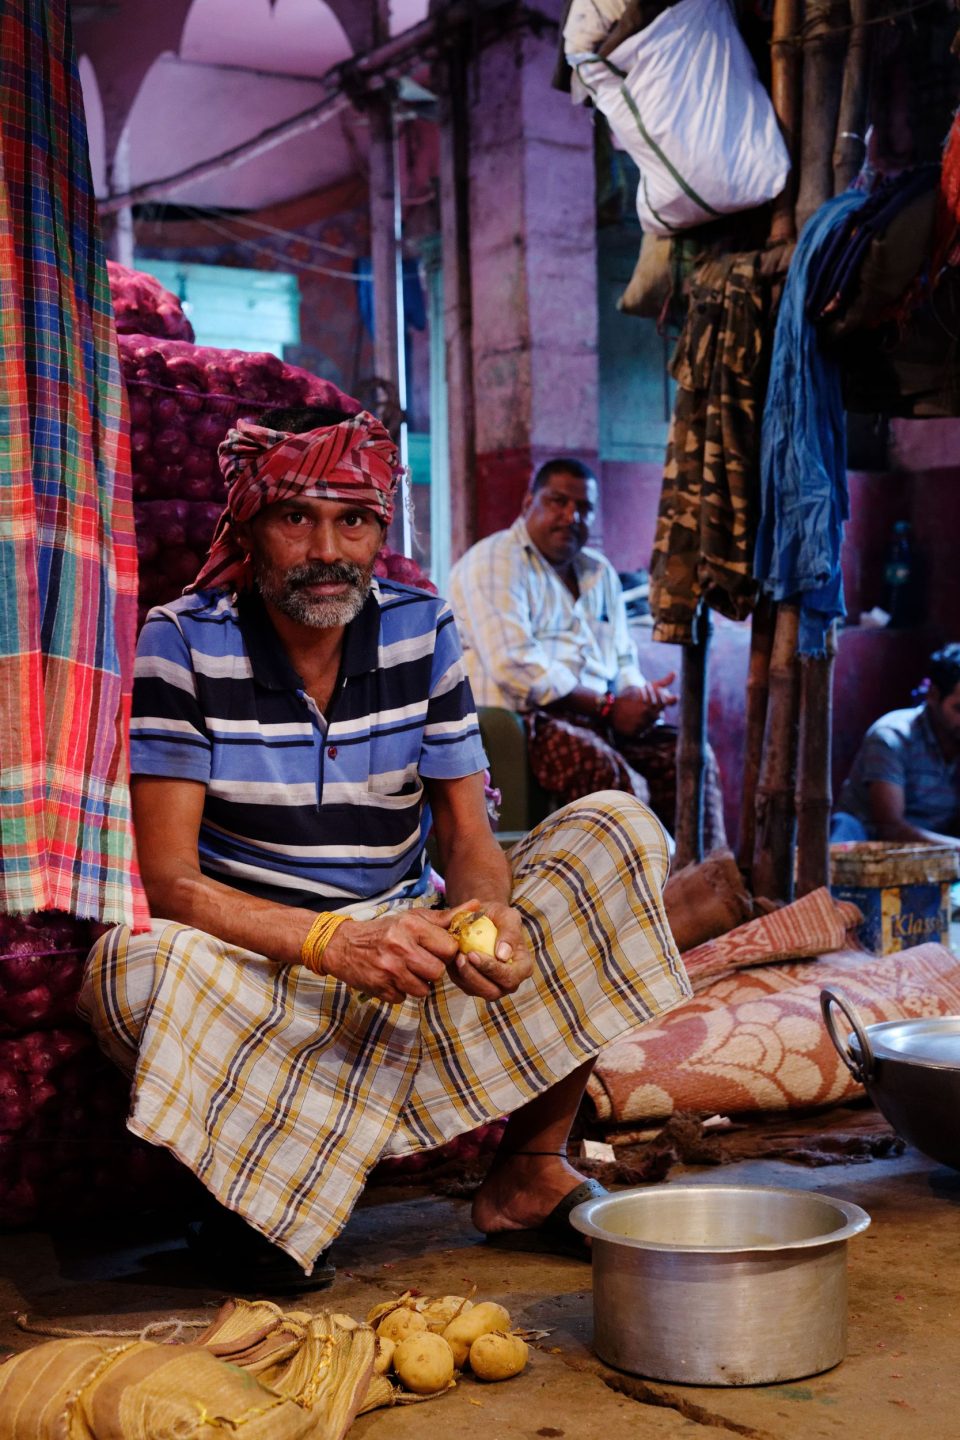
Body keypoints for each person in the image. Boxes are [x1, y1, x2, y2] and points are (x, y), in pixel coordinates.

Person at [79, 408, 691, 1294]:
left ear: (380, 532)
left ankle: (527, 1173)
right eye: (298, 518)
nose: (328, 548)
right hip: (257, 967)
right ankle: (265, 1203)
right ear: (250, 529)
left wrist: (487, 909)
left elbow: (470, 837)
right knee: (128, 971)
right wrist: (329, 943)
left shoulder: (420, 627)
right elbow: (169, 882)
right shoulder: (183, 640)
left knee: (615, 826)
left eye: (355, 520)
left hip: (407, 959)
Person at [448, 458, 727, 848]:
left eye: (583, 508)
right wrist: (610, 707)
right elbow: (516, 668)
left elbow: (623, 659)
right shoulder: (495, 561)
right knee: (616, 781)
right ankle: (632, 903)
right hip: (529, 718)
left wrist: (638, 697)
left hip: (600, 713)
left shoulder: (599, 572)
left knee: (689, 759)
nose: (571, 516)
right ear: (529, 503)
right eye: (557, 502)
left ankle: (702, 884)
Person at [832, 643, 960, 847]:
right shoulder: (891, 737)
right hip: (870, 851)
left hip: (934, 855)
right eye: (958, 709)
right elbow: (890, 828)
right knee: (843, 827)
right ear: (933, 696)